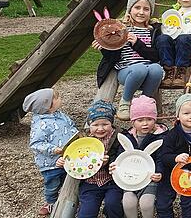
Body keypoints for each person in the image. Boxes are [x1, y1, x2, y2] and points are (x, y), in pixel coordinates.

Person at [94, 0, 163, 121]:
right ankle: (125, 102)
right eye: (137, 8)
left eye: (146, 9)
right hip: (127, 70)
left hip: (149, 69)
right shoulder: (121, 28)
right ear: (130, 9)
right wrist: (104, 47)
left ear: (150, 12)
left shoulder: (153, 31)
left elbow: (156, 56)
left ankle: (144, 102)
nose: (141, 12)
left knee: (157, 69)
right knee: (139, 69)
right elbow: (112, 53)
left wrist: (137, 43)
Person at [56, 100, 123, 218]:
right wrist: (62, 160)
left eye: (105, 124)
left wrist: (109, 163)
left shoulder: (119, 137)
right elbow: (70, 154)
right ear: (89, 125)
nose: (100, 128)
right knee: (87, 211)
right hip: (90, 182)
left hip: (112, 181)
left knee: (113, 204)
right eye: (95, 125)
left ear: (111, 123)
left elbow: (122, 156)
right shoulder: (82, 138)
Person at [23, 88, 78, 217]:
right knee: (52, 184)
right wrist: (53, 149)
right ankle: (51, 202)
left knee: (69, 180)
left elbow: (71, 126)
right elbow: (36, 144)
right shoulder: (41, 124)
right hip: (51, 164)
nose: (60, 98)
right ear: (48, 105)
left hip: (66, 157)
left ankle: (71, 199)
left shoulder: (60, 115)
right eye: (57, 97)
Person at [109, 95, 167, 218]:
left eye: (149, 119)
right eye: (140, 120)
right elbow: (121, 155)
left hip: (149, 178)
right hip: (130, 177)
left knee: (146, 203)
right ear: (133, 121)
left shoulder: (161, 137)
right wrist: (115, 164)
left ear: (155, 119)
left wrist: (159, 172)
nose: (145, 123)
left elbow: (161, 158)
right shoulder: (128, 137)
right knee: (128, 202)